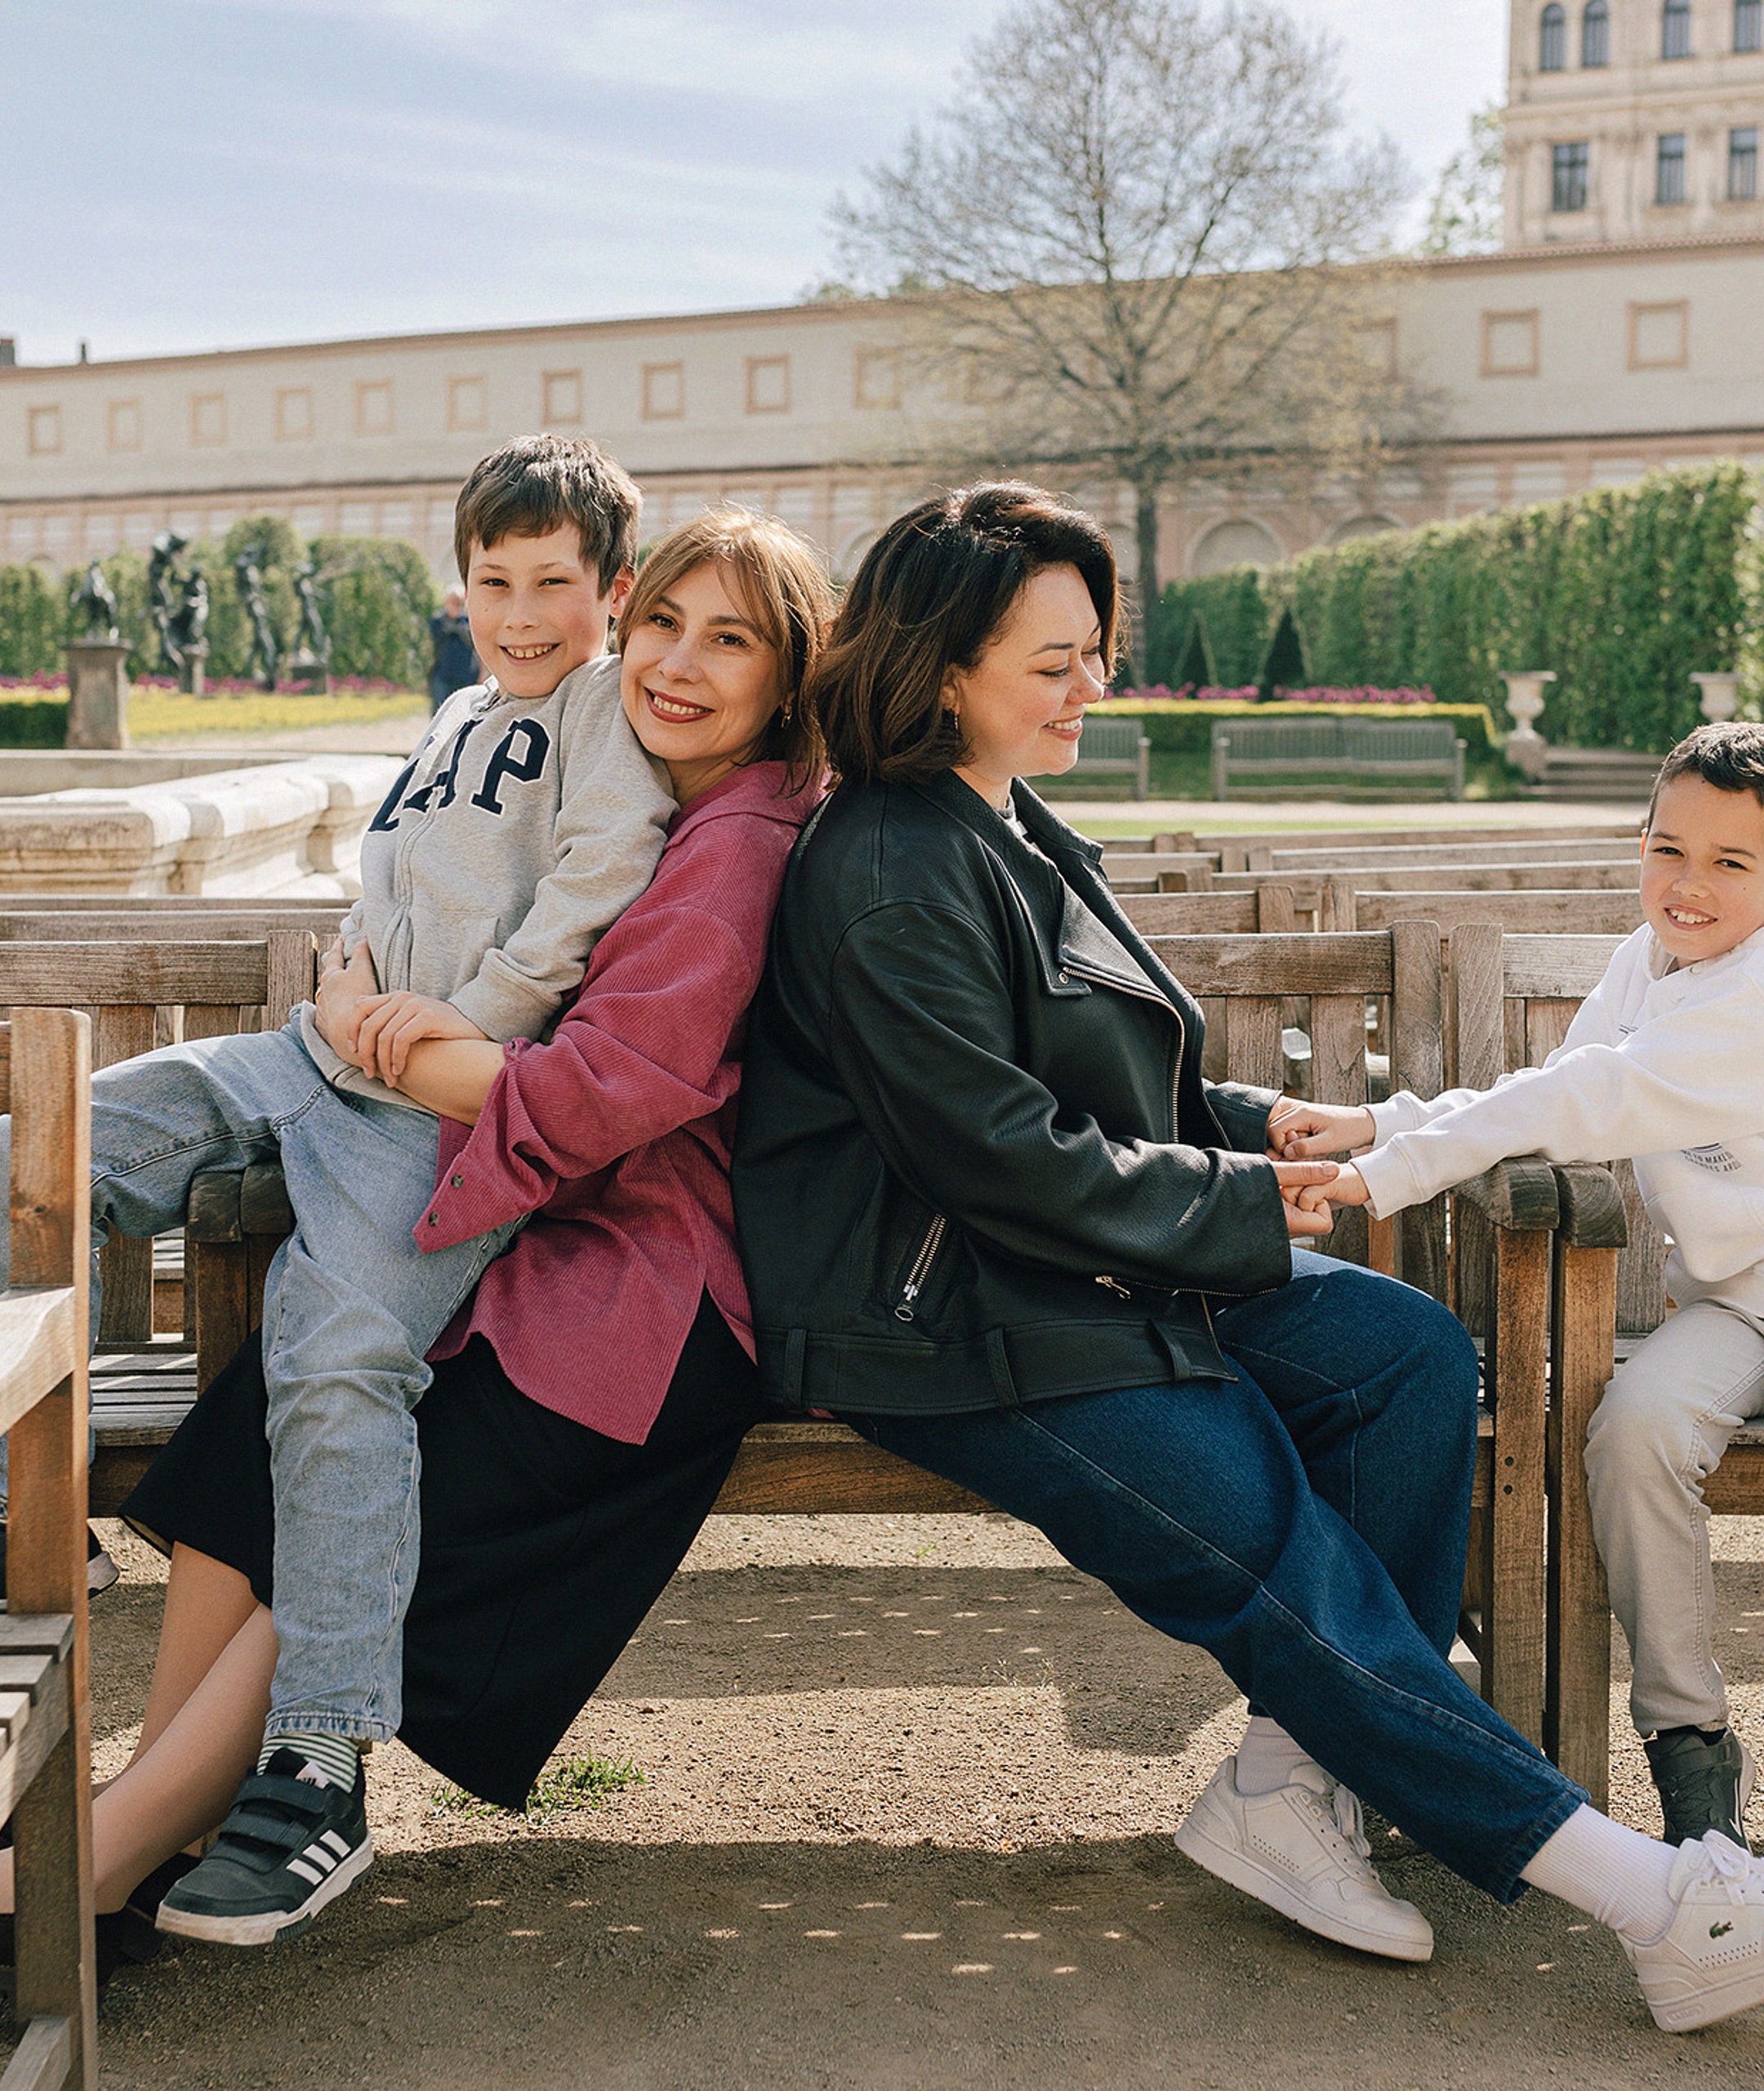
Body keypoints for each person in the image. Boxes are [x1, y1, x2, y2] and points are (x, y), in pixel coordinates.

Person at [728, 483, 1764, 2034]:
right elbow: (990, 1154)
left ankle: (1290, 1783)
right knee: (1273, 1543)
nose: (1096, 687)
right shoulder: (887, 862)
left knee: (1406, 1358)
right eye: (1057, 661)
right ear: (944, 666)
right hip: (942, 1311)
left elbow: (1080, 1086)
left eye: (1096, 651)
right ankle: (1647, 1898)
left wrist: (1249, 1122)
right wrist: (1237, 1202)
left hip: (1073, 1254)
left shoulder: (998, 815)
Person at [0, 506, 832, 1973]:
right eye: (665, 625)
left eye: (724, 637)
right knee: (267, 1410)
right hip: (533, 1207)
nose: (667, 664)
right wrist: (364, 1004)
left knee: (340, 1388)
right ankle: (147, 1841)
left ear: (787, 666)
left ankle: (141, 1838)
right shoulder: (616, 763)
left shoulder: (738, 836)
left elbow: (608, 1090)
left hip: (637, 1291)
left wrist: (390, 1042)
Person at [1285, 720, 1764, 1854]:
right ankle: (1693, 1758)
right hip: (1741, 1305)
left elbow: (1583, 1101)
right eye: (1667, 849)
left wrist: (1376, 1169)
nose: (1687, 886)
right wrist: (1379, 1123)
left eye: (1733, 864)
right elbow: (1550, 1096)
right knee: (1634, 1430)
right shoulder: (1641, 964)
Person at [429, 586, 480, 710]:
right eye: (453, 602)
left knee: (465, 712)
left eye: (459, 603)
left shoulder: (469, 621)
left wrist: (482, 674)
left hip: (467, 675)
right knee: (440, 712)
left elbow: (478, 649)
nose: (456, 605)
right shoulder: (438, 621)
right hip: (443, 675)